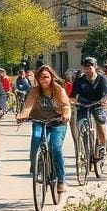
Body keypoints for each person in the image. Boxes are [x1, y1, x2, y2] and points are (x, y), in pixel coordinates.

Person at [16, 65, 71, 195]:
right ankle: (35, 166)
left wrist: (66, 114)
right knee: (36, 138)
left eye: (46, 76)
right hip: (39, 121)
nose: (43, 79)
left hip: (57, 122)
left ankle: (61, 179)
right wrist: (23, 115)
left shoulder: (58, 89)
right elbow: (28, 105)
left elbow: (66, 105)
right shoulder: (35, 90)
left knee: (55, 147)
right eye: (40, 77)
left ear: (51, 77)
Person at [70, 57, 107, 161]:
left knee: (101, 123)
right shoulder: (79, 80)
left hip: (99, 105)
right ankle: (83, 147)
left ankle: (102, 147)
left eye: (90, 67)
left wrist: (106, 100)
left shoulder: (102, 79)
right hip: (84, 105)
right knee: (80, 124)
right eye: (85, 67)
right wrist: (72, 101)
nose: (88, 70)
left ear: (95, 67)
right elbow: (72, 95)